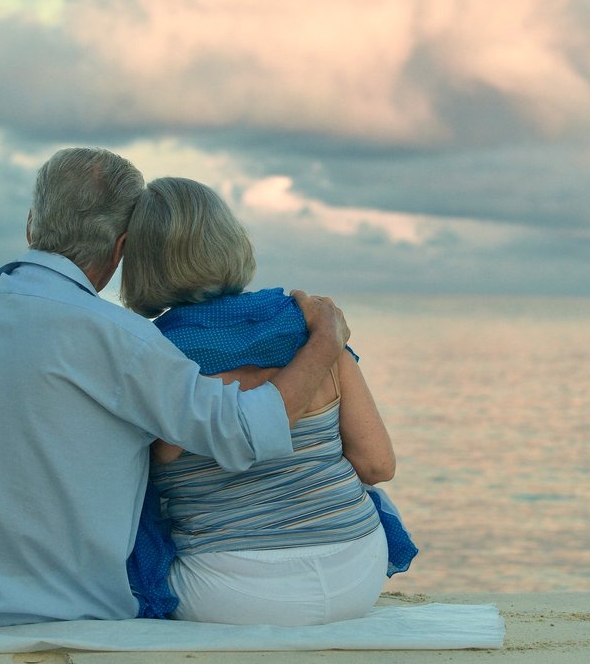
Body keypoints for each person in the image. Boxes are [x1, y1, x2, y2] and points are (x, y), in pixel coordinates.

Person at [0, 148, 351, 629]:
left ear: (30, 225)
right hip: (62, 607)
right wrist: (325, 341)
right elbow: (242, 431)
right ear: (121, 247)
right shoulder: (122, 339)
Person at [120, 177, 413, 626]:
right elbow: (377, 466)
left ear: (141, 263)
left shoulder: (152, 352)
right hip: (356, 573)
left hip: (228, 592)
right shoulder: (315, 328)